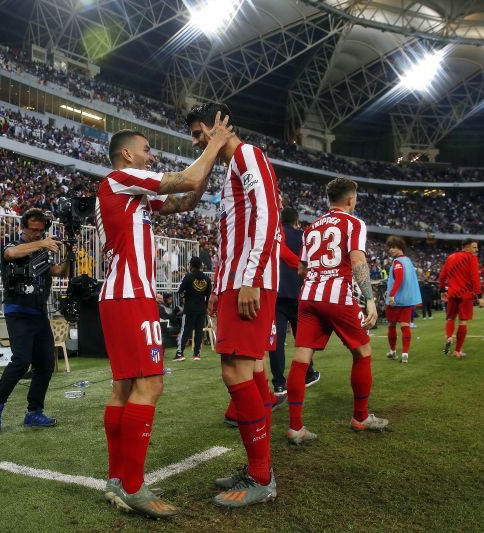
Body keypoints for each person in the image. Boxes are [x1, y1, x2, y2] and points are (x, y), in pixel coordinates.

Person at [99, 117, 233, 518]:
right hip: (130, 294)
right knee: (151, 385)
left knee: (124, 388)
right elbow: (185, 181)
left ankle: (118, 480)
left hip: (120, 294)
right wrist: (215, 144)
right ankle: (135, 487)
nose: (151, 155)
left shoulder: (133, 193)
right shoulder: (121, 177)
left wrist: (206, 163)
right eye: (146, 149)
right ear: (127, 154)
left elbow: (187, 199)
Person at [189, 103, 279, 508]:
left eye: (198, 132)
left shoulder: (247, 155)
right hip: (234, 281)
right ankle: (259, 467)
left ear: (221, 126)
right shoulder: (231, 170)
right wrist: (219, 286)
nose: (195, 141)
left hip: (249, 280)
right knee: (248, 369)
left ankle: (262, 476)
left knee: (236, 371)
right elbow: (234, 234)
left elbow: (268, 213)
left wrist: (250, 277)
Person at [285, 177, 389, 447]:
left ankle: (295, 427)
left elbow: (301, 269)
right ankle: (360, 418)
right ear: (351, 199)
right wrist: (369, 299)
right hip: (337, 296)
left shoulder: (311, 228)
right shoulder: (354, 223)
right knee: (363, 352)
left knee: (301, 359)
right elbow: (357, 260)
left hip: (308, 296)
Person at [0, 208, 68, 432]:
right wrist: (42, 243)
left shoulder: (43, 248)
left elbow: (58, 272)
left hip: (39, 312)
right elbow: (12, 254)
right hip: (18, 310)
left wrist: (69, 256)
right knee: (21, 360)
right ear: (22, 228)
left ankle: (34, 412)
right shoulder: (11, 245)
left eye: (41, 231)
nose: (38, 234)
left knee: (46, 364)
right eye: (33, 230)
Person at [270, 206, 320, 395]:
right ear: (296, 220)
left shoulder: (275, 234)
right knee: (304, 338)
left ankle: (279, 384)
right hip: (300, 293)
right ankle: (308, 373)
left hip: (277, 294)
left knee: (277, 340)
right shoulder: (304, 236)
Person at [439, 239, 484, 358]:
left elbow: (442, 276)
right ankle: (457, 351)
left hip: (452, 293)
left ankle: (449, 337)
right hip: (465, 295)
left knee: (450, 318)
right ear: (467, 247)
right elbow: (475, 278)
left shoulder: (450, 257)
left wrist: (442, 290)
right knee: (462, 322)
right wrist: (479, 296)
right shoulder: (472, 258)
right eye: (474, 247)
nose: (476, 250)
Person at [384, 236, 422, 364]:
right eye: (390, 247)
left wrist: (392, 295)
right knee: (405, 326)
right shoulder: (408, 261)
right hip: (407, 301)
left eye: (393, 247)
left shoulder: (398, 262)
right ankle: (405, 354)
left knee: (392, 325)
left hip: (396, 301)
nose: (391, 250)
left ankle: (393, 351)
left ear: (400, 247)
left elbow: (399, 279)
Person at [173, 257, 211, 361]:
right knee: (199, 332)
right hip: (202, 308)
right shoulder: (206, 279)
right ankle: (197, 354)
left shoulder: (188, 277)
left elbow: (180, 291)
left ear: (191, 265)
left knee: (185, 330)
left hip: (190, 308)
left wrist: (185, 296)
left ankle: (180, 354)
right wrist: (206, 306)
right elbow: (208, 295)